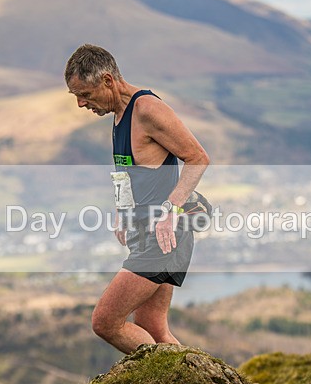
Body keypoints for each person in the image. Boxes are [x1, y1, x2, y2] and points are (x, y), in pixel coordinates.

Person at [64, 44, 210, 354]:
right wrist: (123, 211)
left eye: (85, 94)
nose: (80, 103)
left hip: (165, 236)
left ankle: (168, 376)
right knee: (154, 329)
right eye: (76, 96)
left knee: (105, 321)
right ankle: (193, 381)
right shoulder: (119, 115)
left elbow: (197, 158)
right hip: (146, 233)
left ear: (107, 81)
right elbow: (131, 172)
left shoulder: (146, 109)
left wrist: (171, 210)